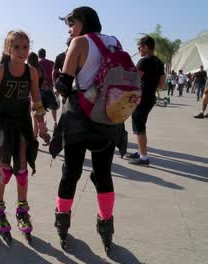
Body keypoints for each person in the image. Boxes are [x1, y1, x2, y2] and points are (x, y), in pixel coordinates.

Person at [50, 6, 129, 253]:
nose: (70, 29)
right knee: (103, 174)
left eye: (71, 23)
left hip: (81, 119)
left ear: (82, 21)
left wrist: (60, 83)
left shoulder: (79, 42)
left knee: (71, 172)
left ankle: (62, 221)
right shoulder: (114, 41)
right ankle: (106, 226)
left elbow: (64, 85)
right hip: (110, 117)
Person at [0, 31, 49, 242]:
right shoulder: (1, 70)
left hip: (23, 125)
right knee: (4, 169)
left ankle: (22, 211)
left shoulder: (32, 72)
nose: (21, 51)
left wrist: (42, 126)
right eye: (16, 47)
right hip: (3, 124)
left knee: (22, 171)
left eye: (25, 47)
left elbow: (37, 103)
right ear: (8, 49)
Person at [126, 36, 165, 166]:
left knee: (139, 127)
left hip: (141, 97)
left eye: (140, 47)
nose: (138, 49)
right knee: (141, 125)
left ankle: (144, 158)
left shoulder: (143, 61)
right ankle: (140, 151)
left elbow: (134, 80)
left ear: (146, 47)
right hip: (151, 97)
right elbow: (161, 84)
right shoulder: (159, 62)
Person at [38, 48, 59, 128]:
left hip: (41, 88)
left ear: (39, 55)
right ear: (45, 54)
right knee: (53, 105)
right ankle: (55, 122)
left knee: (41, 107)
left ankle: (43, 124)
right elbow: (57, 74)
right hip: (50, 87)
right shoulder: (51, 63)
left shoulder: (37, 64)